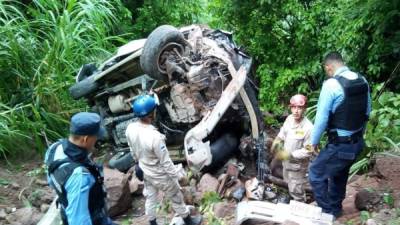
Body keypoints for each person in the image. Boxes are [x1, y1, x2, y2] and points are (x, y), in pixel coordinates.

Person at [309, 51, 371, 218]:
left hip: (341, 145)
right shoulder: (362, 80)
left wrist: (313, 143)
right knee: (339, 171)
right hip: (357, 144)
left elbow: (321, 119)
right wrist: (359, 135)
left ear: (328, 67)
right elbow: (367, 112)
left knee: (315, 173)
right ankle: (336, 208)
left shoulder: (331, 85)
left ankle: (328, 212)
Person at [125, 94, 202, 225]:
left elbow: (132, 150)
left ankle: (153, 223)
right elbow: (166, 163)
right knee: (176, 197)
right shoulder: (155, 137)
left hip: (145, 171)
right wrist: (179, 177)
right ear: (151, 114)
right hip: (160, 176)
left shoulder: (130, 129)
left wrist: (138, 163)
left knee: (150, 198)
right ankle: (189, 221)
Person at [44, 112, 115, 225]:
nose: (97, 140)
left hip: (67, 210)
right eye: (95, 137)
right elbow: (79, 221)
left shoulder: (54, 148)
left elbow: (51, 179)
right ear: (85, 139)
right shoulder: (79, 176)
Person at [271, 94, 314, 202]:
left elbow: (309, 150)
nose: (296, 111)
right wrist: (278, 139)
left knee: (296, 189)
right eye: (294, 107)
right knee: (289, 183)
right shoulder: (289, 119)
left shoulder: (309, 128)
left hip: (297, 166)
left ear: (304, 109)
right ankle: (295, 197)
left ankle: (300, 204)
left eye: (299, 108)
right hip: (286, 163)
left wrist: (290, 155)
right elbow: (283, 132)